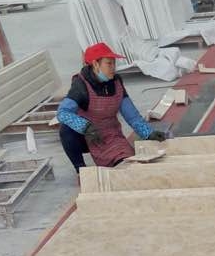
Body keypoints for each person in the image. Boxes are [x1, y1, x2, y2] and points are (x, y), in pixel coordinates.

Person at [57, 43, 166, 172]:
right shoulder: (81, 85)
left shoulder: (116, 82)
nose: (113, 67)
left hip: (110, 134)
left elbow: (132, 116)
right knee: (66, 131)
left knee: (127, 163)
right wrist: (85, 127)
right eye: (109, 63)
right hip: (87, 135)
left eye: (114, 63)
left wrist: (148, 133)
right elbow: (62, 112)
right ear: (96, 64)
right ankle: (80, 170)